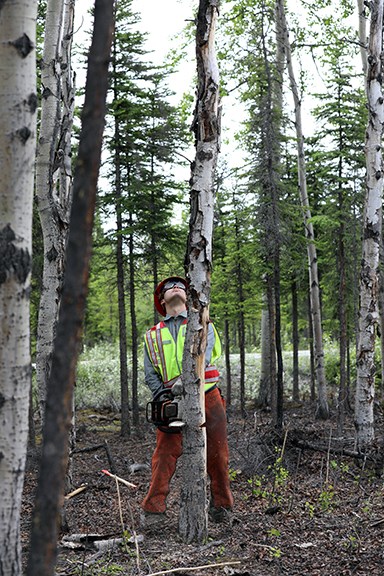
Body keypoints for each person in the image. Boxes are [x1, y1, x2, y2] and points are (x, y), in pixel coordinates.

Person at [141, 276, 234, 525]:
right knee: (164, 454)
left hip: (208, 394)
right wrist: (161, 393)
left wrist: (189, 379)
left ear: (187, 295)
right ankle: (153, 511)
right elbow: (150, 372)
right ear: (162, 300)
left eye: (180, 286)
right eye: (169, 288)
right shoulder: (152, 336)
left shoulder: (203, 323)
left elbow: (206, 351)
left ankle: (222, 507)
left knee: (218, 453)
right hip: (172, 401)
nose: (175, 288)